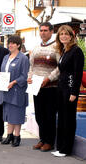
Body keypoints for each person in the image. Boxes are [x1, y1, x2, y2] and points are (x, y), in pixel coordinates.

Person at [51, 25, 84, 157]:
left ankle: (66, 150)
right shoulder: (65, 51)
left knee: (68, 120)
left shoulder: (76, 51)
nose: (63, 36)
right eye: (61, 34)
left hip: (69, 90)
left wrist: (74, 93)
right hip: (61, 89)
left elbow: (77, 74)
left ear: (71, 36)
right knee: (62, 119)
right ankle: (60, 147)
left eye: (66, 34)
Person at [28, 22, 60, 152]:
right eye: (41, 30)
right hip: (36, 87)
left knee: (49, 116)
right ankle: (42, 139)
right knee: (39, 115)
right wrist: (29, 77)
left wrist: (49, 78)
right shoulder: (36, 48)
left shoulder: (57, 47)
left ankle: (49, 142)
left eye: (46, 30)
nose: (43, 33)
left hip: (51, 87)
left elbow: (60, 67)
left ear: (51, 32)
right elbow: (31, 66)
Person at [0, 35, 29, 147]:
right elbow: (3, 72)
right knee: (9, 114)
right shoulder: (6, 57)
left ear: (18, 45)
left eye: (13, 43)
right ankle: (9, 135)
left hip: (17, 91)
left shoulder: (23, 58)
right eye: (9, 43)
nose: (10, 45)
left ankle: (17, 136)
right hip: (6, 90)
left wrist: (14, 82)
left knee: (17, 114)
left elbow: (24, 76)